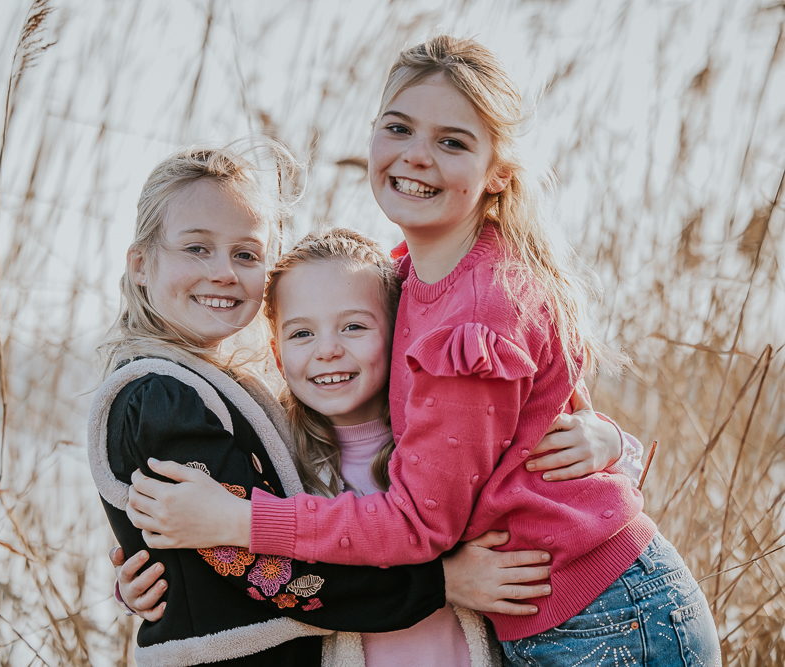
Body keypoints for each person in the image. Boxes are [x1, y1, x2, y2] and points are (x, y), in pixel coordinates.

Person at [123, 36, 722, 666]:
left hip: (606, 616)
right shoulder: (409, 279)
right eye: (399, 127)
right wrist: (170, 567)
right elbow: (539, 417)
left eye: (452, 141)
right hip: (559, 612)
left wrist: (239, 524)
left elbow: (417, 526)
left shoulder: (479, 310)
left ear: (498, 174)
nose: (417, 156)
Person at [90, 142, 638, 666]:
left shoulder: (424, 435)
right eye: (196, 247)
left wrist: (614, 443)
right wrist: (445, 583)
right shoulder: (182, 402)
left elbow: (529, 443)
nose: (224, 271)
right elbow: (255, 563)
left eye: (246, 253)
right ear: (140, 263)